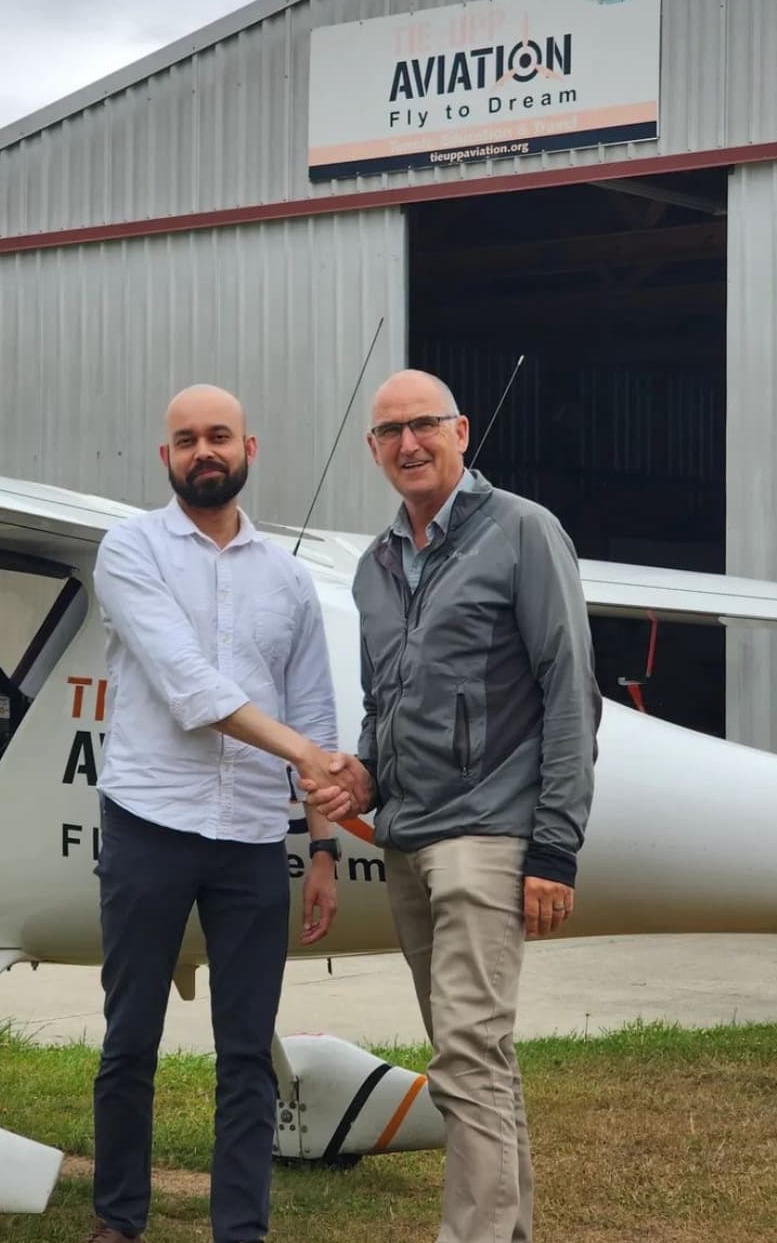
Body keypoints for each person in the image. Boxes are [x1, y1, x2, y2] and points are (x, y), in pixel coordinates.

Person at [308, 368, 600, 1243]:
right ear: (373, 449)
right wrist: (363, 775)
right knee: (481, 1058)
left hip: (489, 837)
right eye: (391, 432)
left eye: (425, 425)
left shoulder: (522, 532)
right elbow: (385, 706)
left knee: (465, 1057)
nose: (409, 444)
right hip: (407, 838)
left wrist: (553, 849)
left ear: (462, 431)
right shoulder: (373, 567)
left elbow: (568, 691)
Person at [86, 383, 351, 1243]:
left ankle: (242, 1230)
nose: (205, 452)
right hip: (148, 824)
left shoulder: (289, 579)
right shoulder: (129, 550)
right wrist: (307, 757)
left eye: (220, 438)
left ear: (250, 450)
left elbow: (314, 713)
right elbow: (190, 687)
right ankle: (118, 1220)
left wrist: (320, 849)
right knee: (130, 1038)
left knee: (247, 1052)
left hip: (247, 838)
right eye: (187, 440)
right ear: (166, 458)